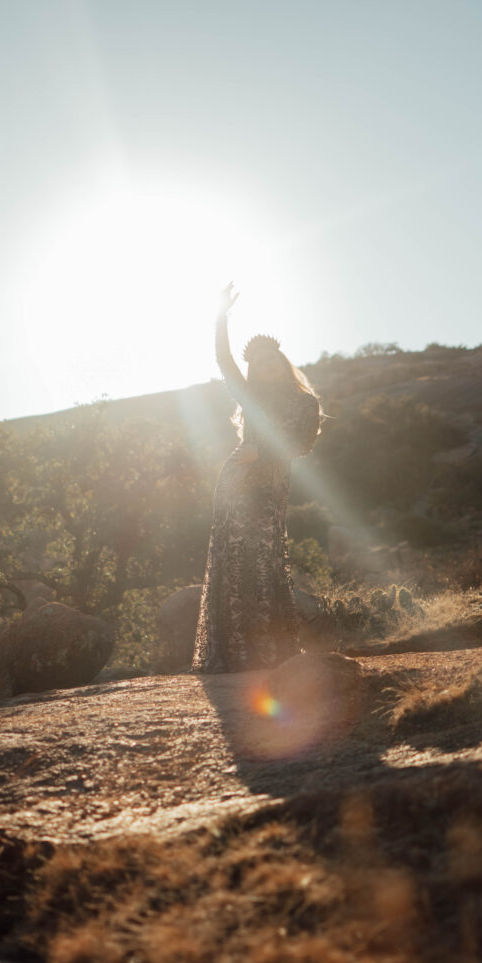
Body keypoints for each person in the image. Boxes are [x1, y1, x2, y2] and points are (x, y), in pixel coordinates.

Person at [192, 283, 323, 674]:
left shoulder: (305, 402)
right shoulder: (250, 396)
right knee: (232, 562)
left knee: (264, 559)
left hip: (268, 485)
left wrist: (260, 452)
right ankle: (235, 656)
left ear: (283, 364)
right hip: (235, 482)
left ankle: (270, 651)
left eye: (274, 361)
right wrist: (220, 316)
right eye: (261, 364)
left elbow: (300, 445)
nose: (268, 368)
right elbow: (222, 358)